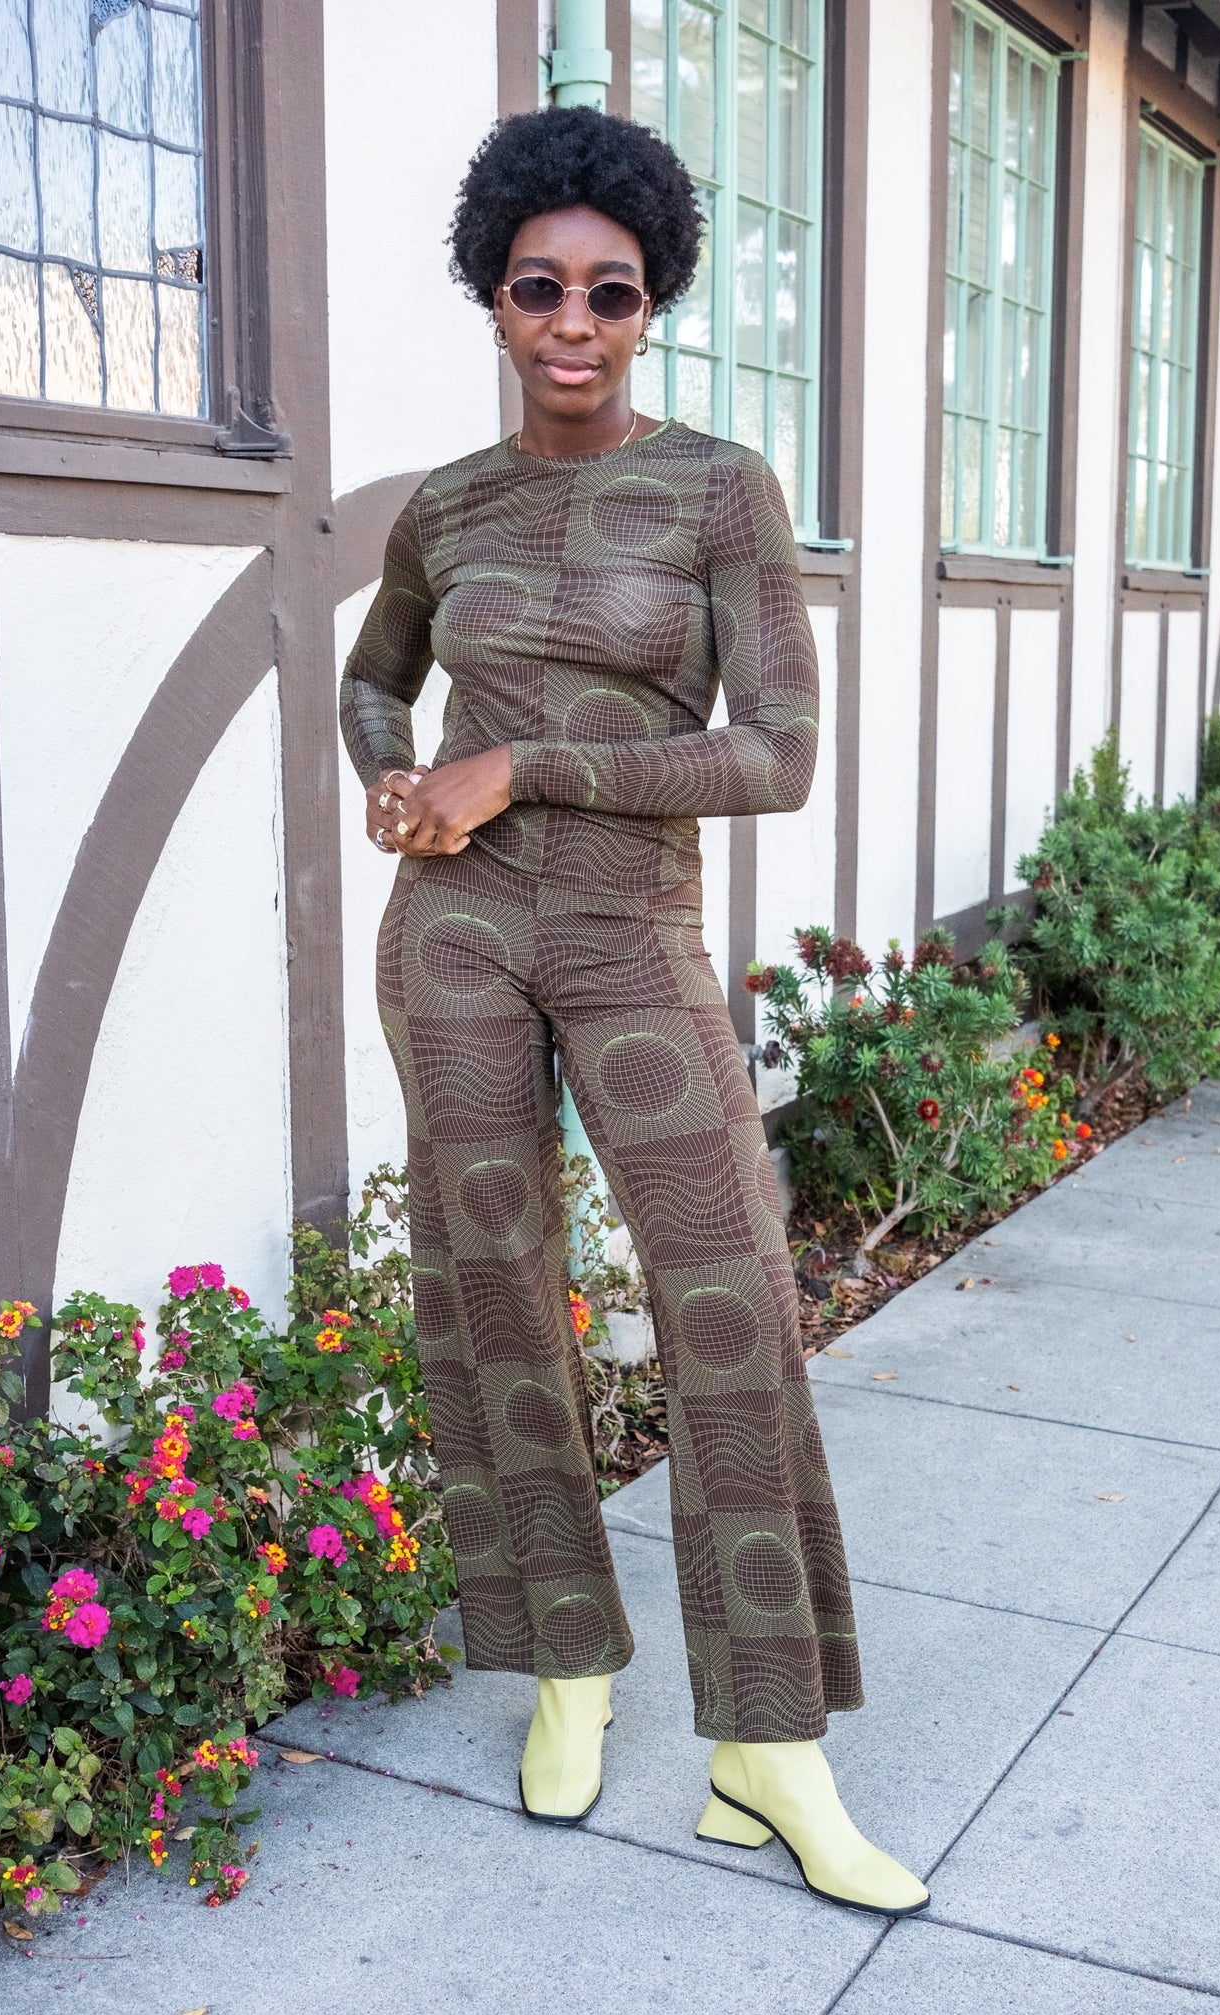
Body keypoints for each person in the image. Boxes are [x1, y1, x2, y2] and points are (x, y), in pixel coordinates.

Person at [340, 104, 926, 1917]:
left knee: (728, 1295)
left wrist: (523, 762)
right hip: (453, 935)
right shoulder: (445, 507)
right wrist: (392, 782)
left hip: (625, 932)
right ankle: (565, 1670)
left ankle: (767, 1747)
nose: (573, 321)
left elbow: (778, 754)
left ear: (651, 299)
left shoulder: (721, 489)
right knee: (489, 1284)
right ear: (494, 296)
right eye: (540, 287)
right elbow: (370, 681)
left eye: (610, 289)